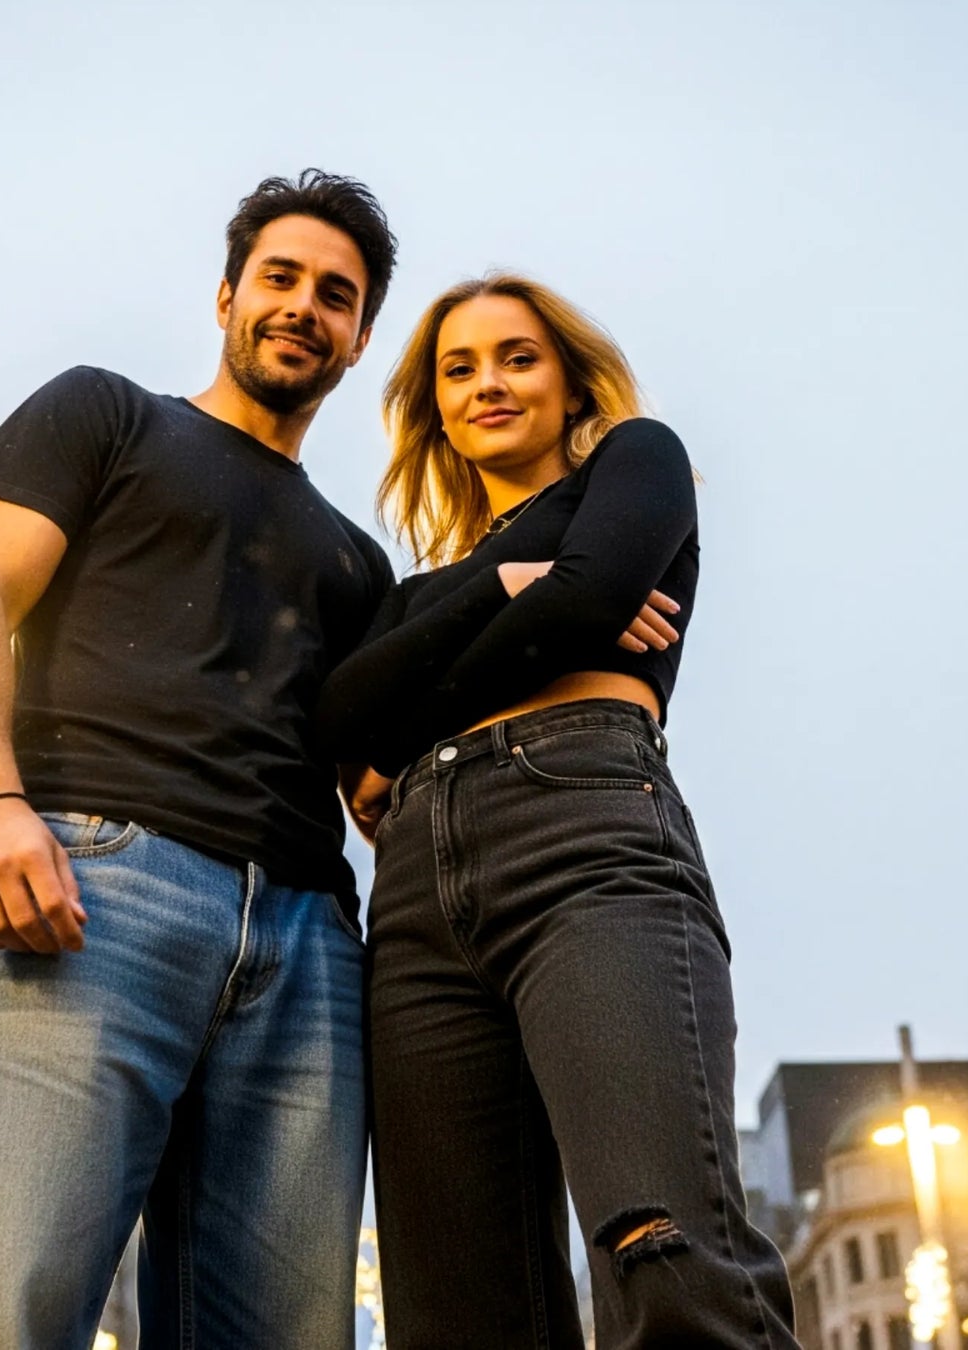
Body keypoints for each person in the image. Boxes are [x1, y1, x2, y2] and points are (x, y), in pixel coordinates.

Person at [0, 170, 398, 1350]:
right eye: (282, 278)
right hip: (93, 884)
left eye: (338, 295)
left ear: (360, 339)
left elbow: (375, 790)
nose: (305, 305)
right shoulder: (106, 414)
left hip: (308, 946)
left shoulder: (360, 563)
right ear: (226, 296)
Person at [317, 273, 800, 1348]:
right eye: (459, 366)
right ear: (434, 405)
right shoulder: (421, 587)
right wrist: (503, 591)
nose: (488, 382)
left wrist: (413, 709)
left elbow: (586, 596)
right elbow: (339, 709)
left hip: (579, 833)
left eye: (517, 357)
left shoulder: (639, 462)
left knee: (664, 1256)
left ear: (572, 384)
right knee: (458, 1317)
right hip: (411, 909)